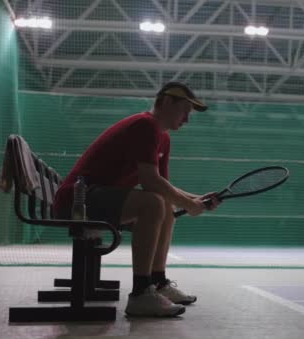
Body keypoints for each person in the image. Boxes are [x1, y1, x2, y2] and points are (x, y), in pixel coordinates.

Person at [53, 81, 220, 317]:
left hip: (97, 199)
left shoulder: (163, 138)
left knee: (165, 205)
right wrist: (190, 204)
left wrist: (196, 199)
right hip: (77, 200)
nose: (187, 119)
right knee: (153, 203)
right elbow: (151, 182)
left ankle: (158, 283)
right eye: (184, 111)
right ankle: (141, 294)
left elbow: (162, 185)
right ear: (167, 102)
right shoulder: (145, 125)